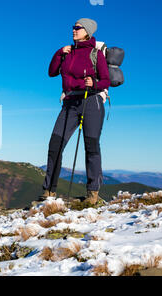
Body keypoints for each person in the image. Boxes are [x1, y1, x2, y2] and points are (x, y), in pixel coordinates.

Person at [41, 18, 111, 204]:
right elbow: (52, 72)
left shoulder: (96, 54)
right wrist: (58, 53)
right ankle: (49, 191)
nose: (73, 30)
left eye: (77, 28)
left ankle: (92, 193)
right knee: (55, 144)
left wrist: (94, 83)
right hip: (70, 102)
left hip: (91, 101)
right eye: (73, 27)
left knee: (91, 146)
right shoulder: (67, 53)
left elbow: (106, 80)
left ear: (87, 32)